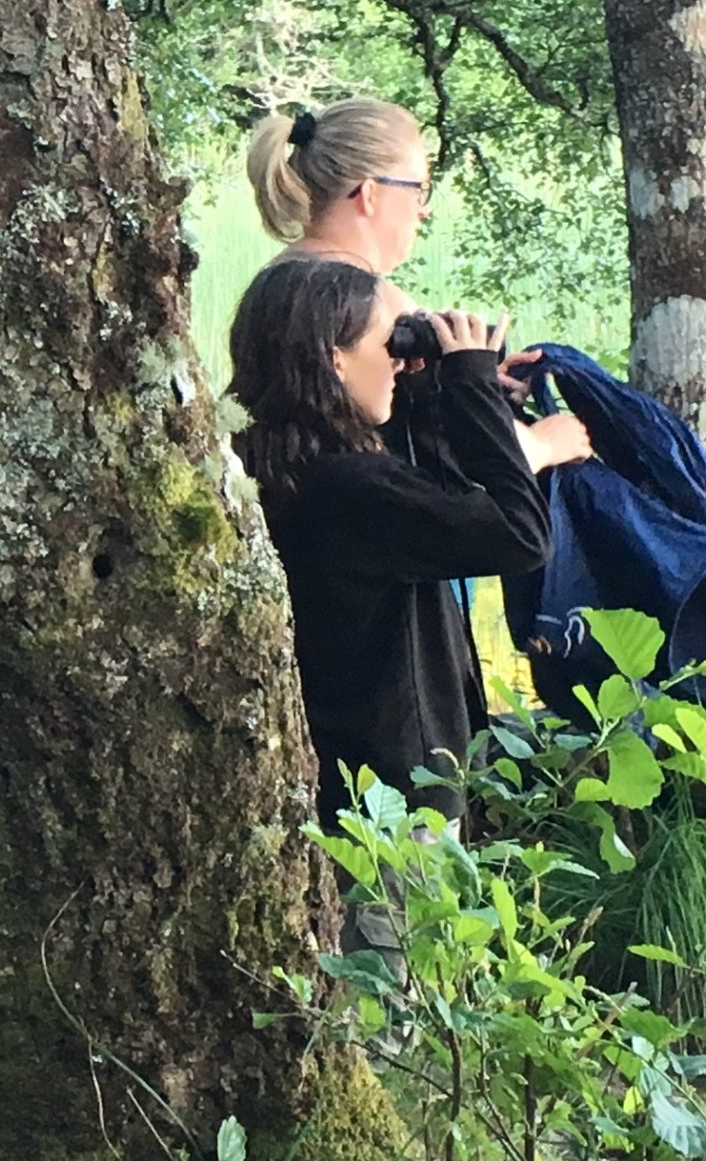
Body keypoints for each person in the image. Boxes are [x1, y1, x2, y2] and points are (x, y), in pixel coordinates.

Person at [226, 258, 554, 829]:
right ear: (335, 358)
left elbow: (432, 491)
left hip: (342, 781)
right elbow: (520, 535)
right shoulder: (354, 489)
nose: (399, 364)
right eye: (391, 347)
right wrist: (471, 387)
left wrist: (429, 392)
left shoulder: (270, 465)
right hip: (397, 810)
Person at [246, 98, 592, 474]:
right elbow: (472, 455)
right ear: (371, 194)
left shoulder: (272, 283)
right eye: (418, 189)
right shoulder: (375, 305)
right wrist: (547, 443)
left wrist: (470, 378)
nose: (423, 209)